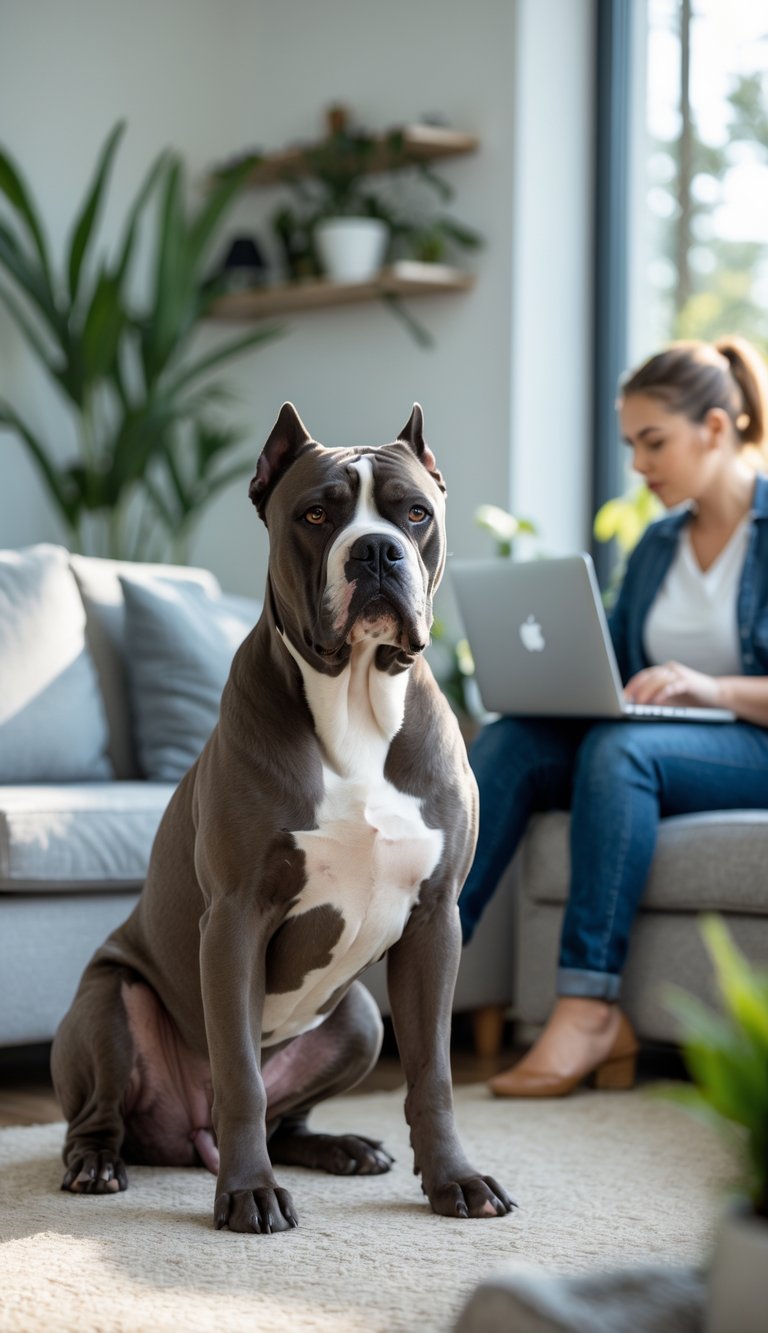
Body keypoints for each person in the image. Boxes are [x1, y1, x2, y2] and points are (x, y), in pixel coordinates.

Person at [459, 335, 768, 1098]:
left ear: (718, 428)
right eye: (631, 444)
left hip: (750, 745)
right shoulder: (659, 543)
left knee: (619, 752)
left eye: (653, 441)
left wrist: (714, 688)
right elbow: (623, 667)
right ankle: (418, 968)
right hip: (661, 741)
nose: (638, 464)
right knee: (512, 742)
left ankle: (590, 1005)